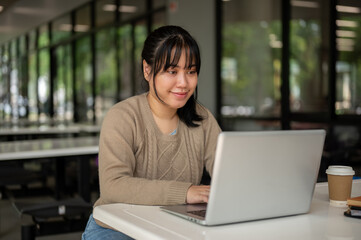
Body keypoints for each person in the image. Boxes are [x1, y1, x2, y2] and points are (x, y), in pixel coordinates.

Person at [82, 25, 221, 240]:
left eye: (191, 71)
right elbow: (113, 186)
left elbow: (228, 173)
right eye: (172, 71)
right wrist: (186, 192)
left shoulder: (202, 118)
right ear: (147, 70)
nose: (183, 83)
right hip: (116, 227)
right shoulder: (123, 116)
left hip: (175, 225)